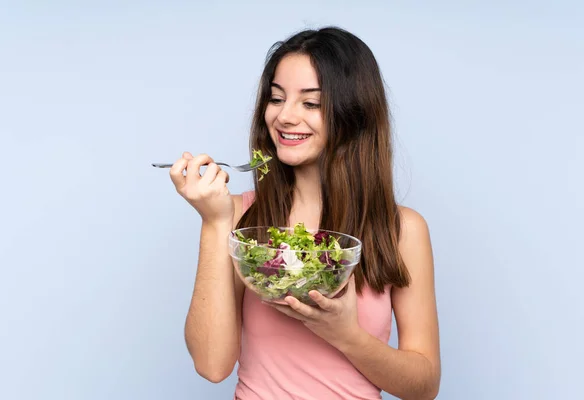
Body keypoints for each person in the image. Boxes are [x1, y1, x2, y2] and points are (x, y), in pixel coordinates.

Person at [169, 26, 441, 400]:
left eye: (310, 103)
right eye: (277, 99)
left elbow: (424, 386)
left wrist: (345, 334)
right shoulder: (238, 216)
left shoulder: (402, 230)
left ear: (354, 114)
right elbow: (211, 365)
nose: (285, 117)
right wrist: (214, 222)